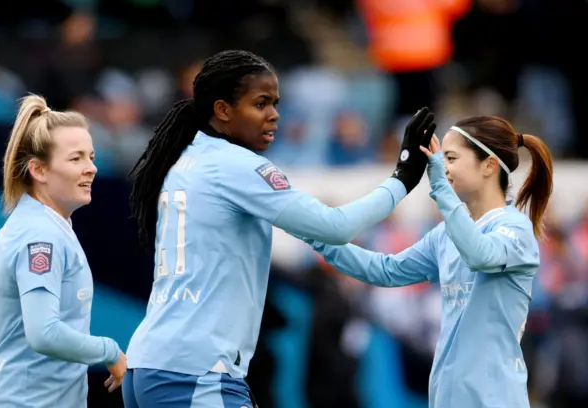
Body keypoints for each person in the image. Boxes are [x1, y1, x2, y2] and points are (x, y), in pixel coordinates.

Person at [124, 49, 435, 407]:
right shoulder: (238, 167)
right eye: (260, 104)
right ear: (223, 110)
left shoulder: (188, 159)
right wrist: (401, 180)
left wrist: (390, 269)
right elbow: (335, 227)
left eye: (275, 103)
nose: (274, 116)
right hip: (196, 371)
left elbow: (325, 240)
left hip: (155, 365)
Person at [294, 116, 554, 408]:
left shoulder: (514, 228)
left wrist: (441, 189)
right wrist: (315, 234)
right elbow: (385, 270)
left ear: (489, 166)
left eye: (451, 158)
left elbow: (480, 254)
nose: (443, 167)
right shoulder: (446, 234)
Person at [0, 95, 128, 408]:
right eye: (76, 159)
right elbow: (43, 333)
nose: (91, 169)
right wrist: (110, 351)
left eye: (91, 156)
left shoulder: (46, 225)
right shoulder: (39, 234)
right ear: (39, 170)